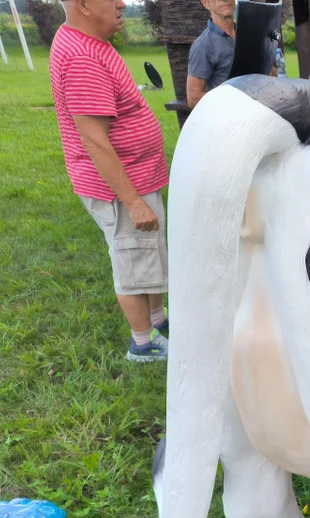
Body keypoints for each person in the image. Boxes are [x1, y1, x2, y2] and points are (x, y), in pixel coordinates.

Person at [49, 0, 169, 362]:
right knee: (132, 259)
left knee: (147, 254)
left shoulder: (89, 43)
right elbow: (95, 140)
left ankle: (157, 321)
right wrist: (132, 202)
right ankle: (143, 344)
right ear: (84, 5)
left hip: (136, 176)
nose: (121, 3)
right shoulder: (83, 58)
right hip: (121, 189)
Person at [187, 0, 237, 108]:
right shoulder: (203, 45)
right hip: (230, 118)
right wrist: (235, 101)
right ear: (206, 3)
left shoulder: (249, 33)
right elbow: (193, 98)